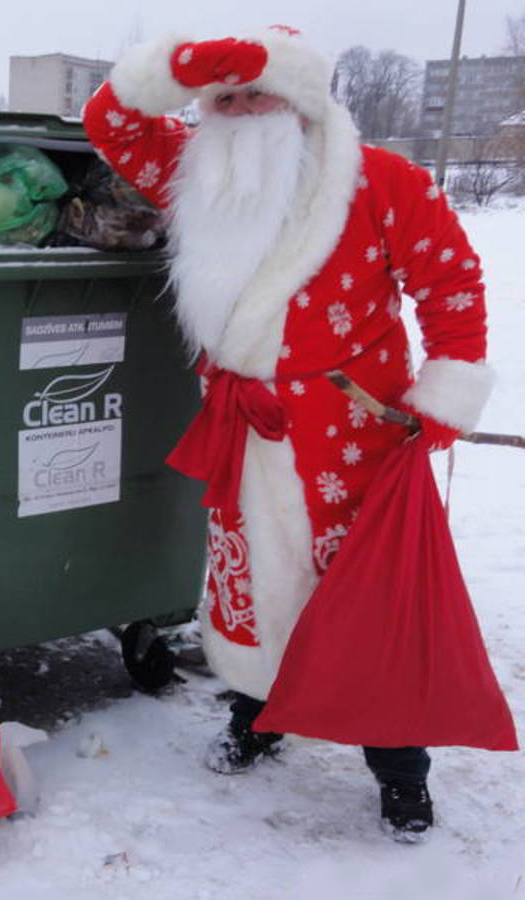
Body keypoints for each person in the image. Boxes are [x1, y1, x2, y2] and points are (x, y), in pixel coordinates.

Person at [83, 27, 493, 842]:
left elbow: (451, 279)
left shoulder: (382, 181)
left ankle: (399, 764)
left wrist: (444, 393)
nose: (238, 111)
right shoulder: (191, 174)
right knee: (251, 587)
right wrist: (174, 70)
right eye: (222, 99)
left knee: (362, 600)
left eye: (255, 93)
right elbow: (114, 124)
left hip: (351, 435)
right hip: (245, 427)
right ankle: (259, 713)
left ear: (301, 101)